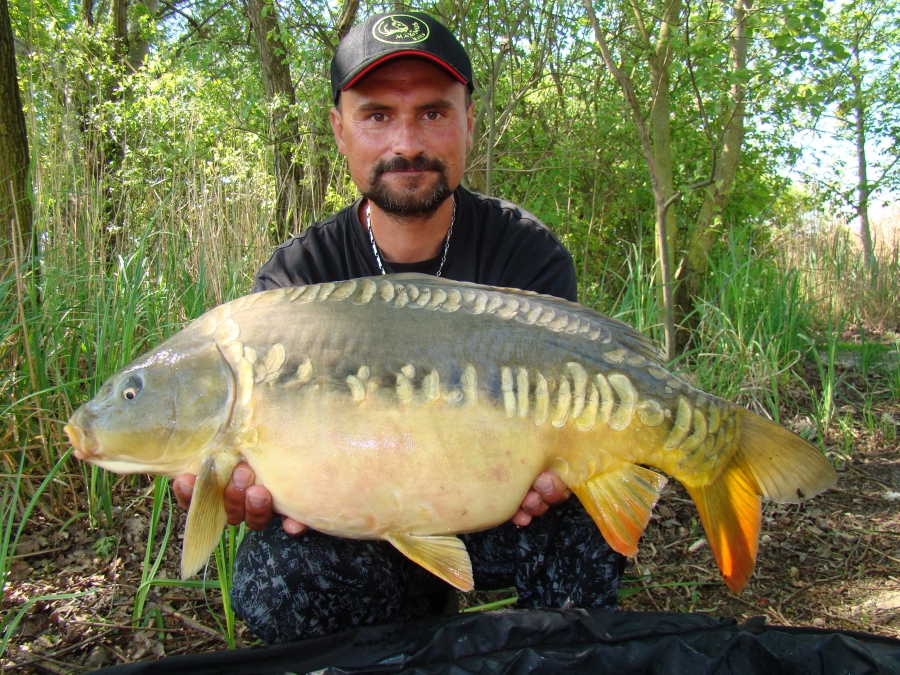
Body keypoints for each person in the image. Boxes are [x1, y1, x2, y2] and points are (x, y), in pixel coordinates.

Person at [172, 11, 622, 644]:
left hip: (501, 507)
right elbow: (255, 464)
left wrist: (568, 471)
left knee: (587, 524)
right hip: (359, 524)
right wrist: (232, 487)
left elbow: (575, 415)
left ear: (469, 121)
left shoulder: (526, 255)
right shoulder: (298, 280)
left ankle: (556, 651)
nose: (406, 143)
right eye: (378, 116)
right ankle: (408, 628)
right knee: (278, 575)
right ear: (339, 129)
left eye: (433, 113)